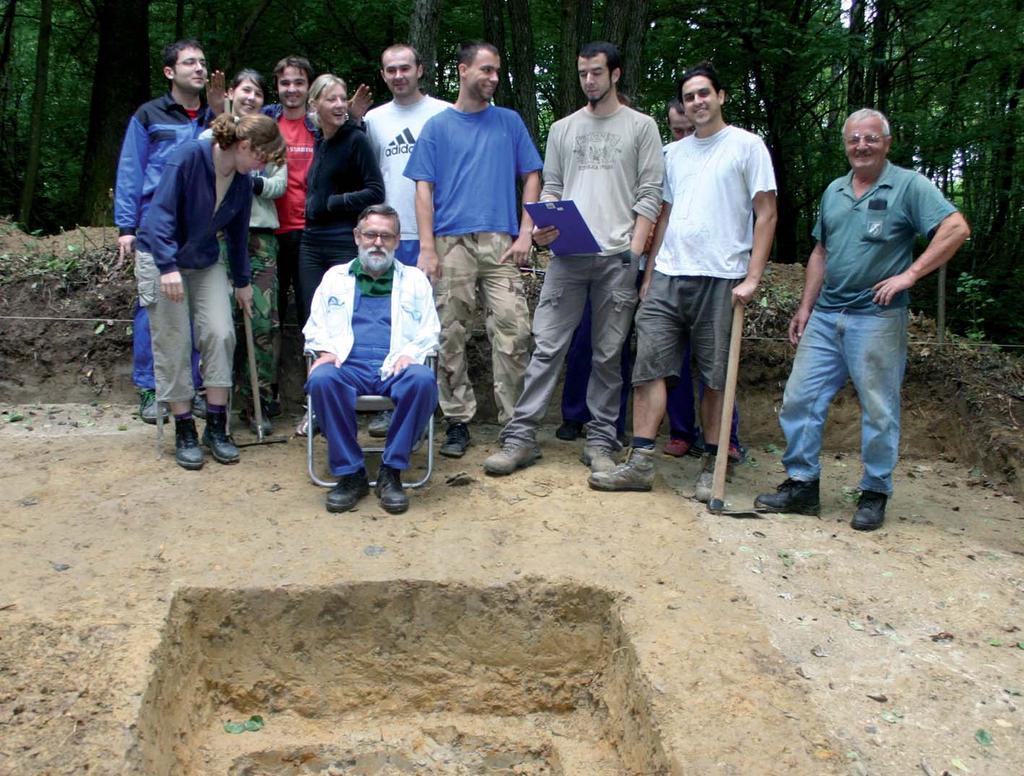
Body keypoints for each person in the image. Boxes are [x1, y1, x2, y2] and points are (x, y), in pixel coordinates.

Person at [755, 109, 970, 530]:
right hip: (826, 315)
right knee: (801, 398)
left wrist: (909, 275)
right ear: (845, 144)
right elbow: (821, 252)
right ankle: (801, 484)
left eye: (870, 138)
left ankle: (874, 491)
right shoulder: (834, 190)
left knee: (878, 408)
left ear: (886, 143)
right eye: (854, 139)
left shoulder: (908, 185)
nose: (861, 146)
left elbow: (956, 227)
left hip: (877, 318)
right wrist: (805, 308)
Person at [589, 61, 777, 500]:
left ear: (721, 96)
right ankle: (639, 462)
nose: (697, 102)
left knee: (714, 377)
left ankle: (713, 464)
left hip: (723, 277)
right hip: (669, 276)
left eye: (704, 94)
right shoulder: (672, 154)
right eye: (690, 96)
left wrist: (753, 277)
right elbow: (662, 215)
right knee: (647, 368)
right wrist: (648, 274)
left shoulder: (747, 147)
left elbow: (766, 214)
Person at [482, 41, 662, 477]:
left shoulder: (642, 127)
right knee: (545, 346)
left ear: (615, 74)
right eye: (583, 73)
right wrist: (543, 225)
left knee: (607, 352)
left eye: (597, 72)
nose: (589, 81)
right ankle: (521, 436)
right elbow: (552, 187)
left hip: (617, 255)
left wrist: (634, 255)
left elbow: (650, 194)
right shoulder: (563, 128)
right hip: (567, 254)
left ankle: (601, 440)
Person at [555, 98, 745, 461]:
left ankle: (710, 438)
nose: (684, 134)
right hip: (640, 261)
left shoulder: (727, 152)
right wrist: (645, 262)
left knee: (707, 362)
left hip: (697, 270)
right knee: (620, 350)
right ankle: (600, 424)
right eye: (677, 128)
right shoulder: (665, 155)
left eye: (689, 128)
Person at [404, 40, 542, 458]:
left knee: (515, 332)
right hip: (451, 243)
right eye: (485, 70)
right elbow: (422, 190)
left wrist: (525, 234)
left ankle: (515, 426)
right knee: (449, 334)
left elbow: (532, 175)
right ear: (463, 70)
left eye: (497, 71)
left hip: (501, 243)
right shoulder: (437, 127)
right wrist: (427, 248)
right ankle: (457, 421)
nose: (493, 78)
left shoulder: (509, 121)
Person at [134, 113, 286, 470]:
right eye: (262, 158)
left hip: (204, 260)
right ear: (244, 146)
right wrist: (168, 267)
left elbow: (236, 237)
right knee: (175, 340)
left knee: (221, 333)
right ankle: (184, 428)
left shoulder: (243, 181)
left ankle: (217, 426)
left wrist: (244, 283)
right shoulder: (189, 156)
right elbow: (159, 219)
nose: (262, 166)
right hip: (160, 257)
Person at [304, 205, 439, 515]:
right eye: (371, 234)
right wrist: (325, 350)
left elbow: (430, 329)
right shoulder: (334, 278)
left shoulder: (415, 280)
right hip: (347, 366)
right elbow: (316, 325)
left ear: (396, 241)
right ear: (357, 236)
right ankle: (351, 473)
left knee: (423, 380)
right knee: (322, 378)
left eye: (386, 236)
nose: (377, 242)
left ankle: (391, 470)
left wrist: (412, 354)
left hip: (395, 366)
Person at [350, 43, 449, 439]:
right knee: (385, 324)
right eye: (390, 69)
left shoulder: (442, 114)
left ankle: (425, 405)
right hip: (387, 237)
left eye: (405, 68)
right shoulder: (373, 119)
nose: (398, 76)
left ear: (420, 70)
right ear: (383, 73)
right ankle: (385, 404)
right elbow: (370, 174)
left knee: (426, 320)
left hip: (431, 235)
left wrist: (434, 240)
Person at [115, 39, 214, 424]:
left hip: (201, 229)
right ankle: (149, 389)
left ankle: (190, 388)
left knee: (194, 312)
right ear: (170, 72)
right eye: (190, 62)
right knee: (152, 309)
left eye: (203, 63)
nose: (199, 69)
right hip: (156, 228)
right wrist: (127, 226)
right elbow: (130, 169)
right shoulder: (148, 115)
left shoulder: (213, 117)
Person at [202, 70, 287, 434]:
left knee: (264, 322)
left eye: (258, 92)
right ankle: (218, 402)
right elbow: (204, 177)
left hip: (261, 237)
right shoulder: (212, 135)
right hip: (219, 236)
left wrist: (245, 177)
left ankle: (260, 401)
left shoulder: (270, 138)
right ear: (232, 93)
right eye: (245, 90)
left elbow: (277, 186)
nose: (251, 96)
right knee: (221, 323)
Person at [297, 74, 385, 328]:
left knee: (343, 314)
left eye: (342, 99)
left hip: (343, 241)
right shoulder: (320, 141)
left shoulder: (355, 139)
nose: (339, 105)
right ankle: (314, 368)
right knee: (312, 315)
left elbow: (376, 191)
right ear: (314, 105)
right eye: (331, 99)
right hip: (311, 243)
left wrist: (333, 203)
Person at [264, 56, 315, 343]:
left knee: (312, 309)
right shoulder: (266, 123)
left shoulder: (319, 126)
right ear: (277, 87)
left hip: (310, 230)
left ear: (309, 87)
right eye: (285, 83)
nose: (292, 89)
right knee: (272, 312)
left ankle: (316, 383)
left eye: (299, 82)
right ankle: (271, 383)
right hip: (272, 229)